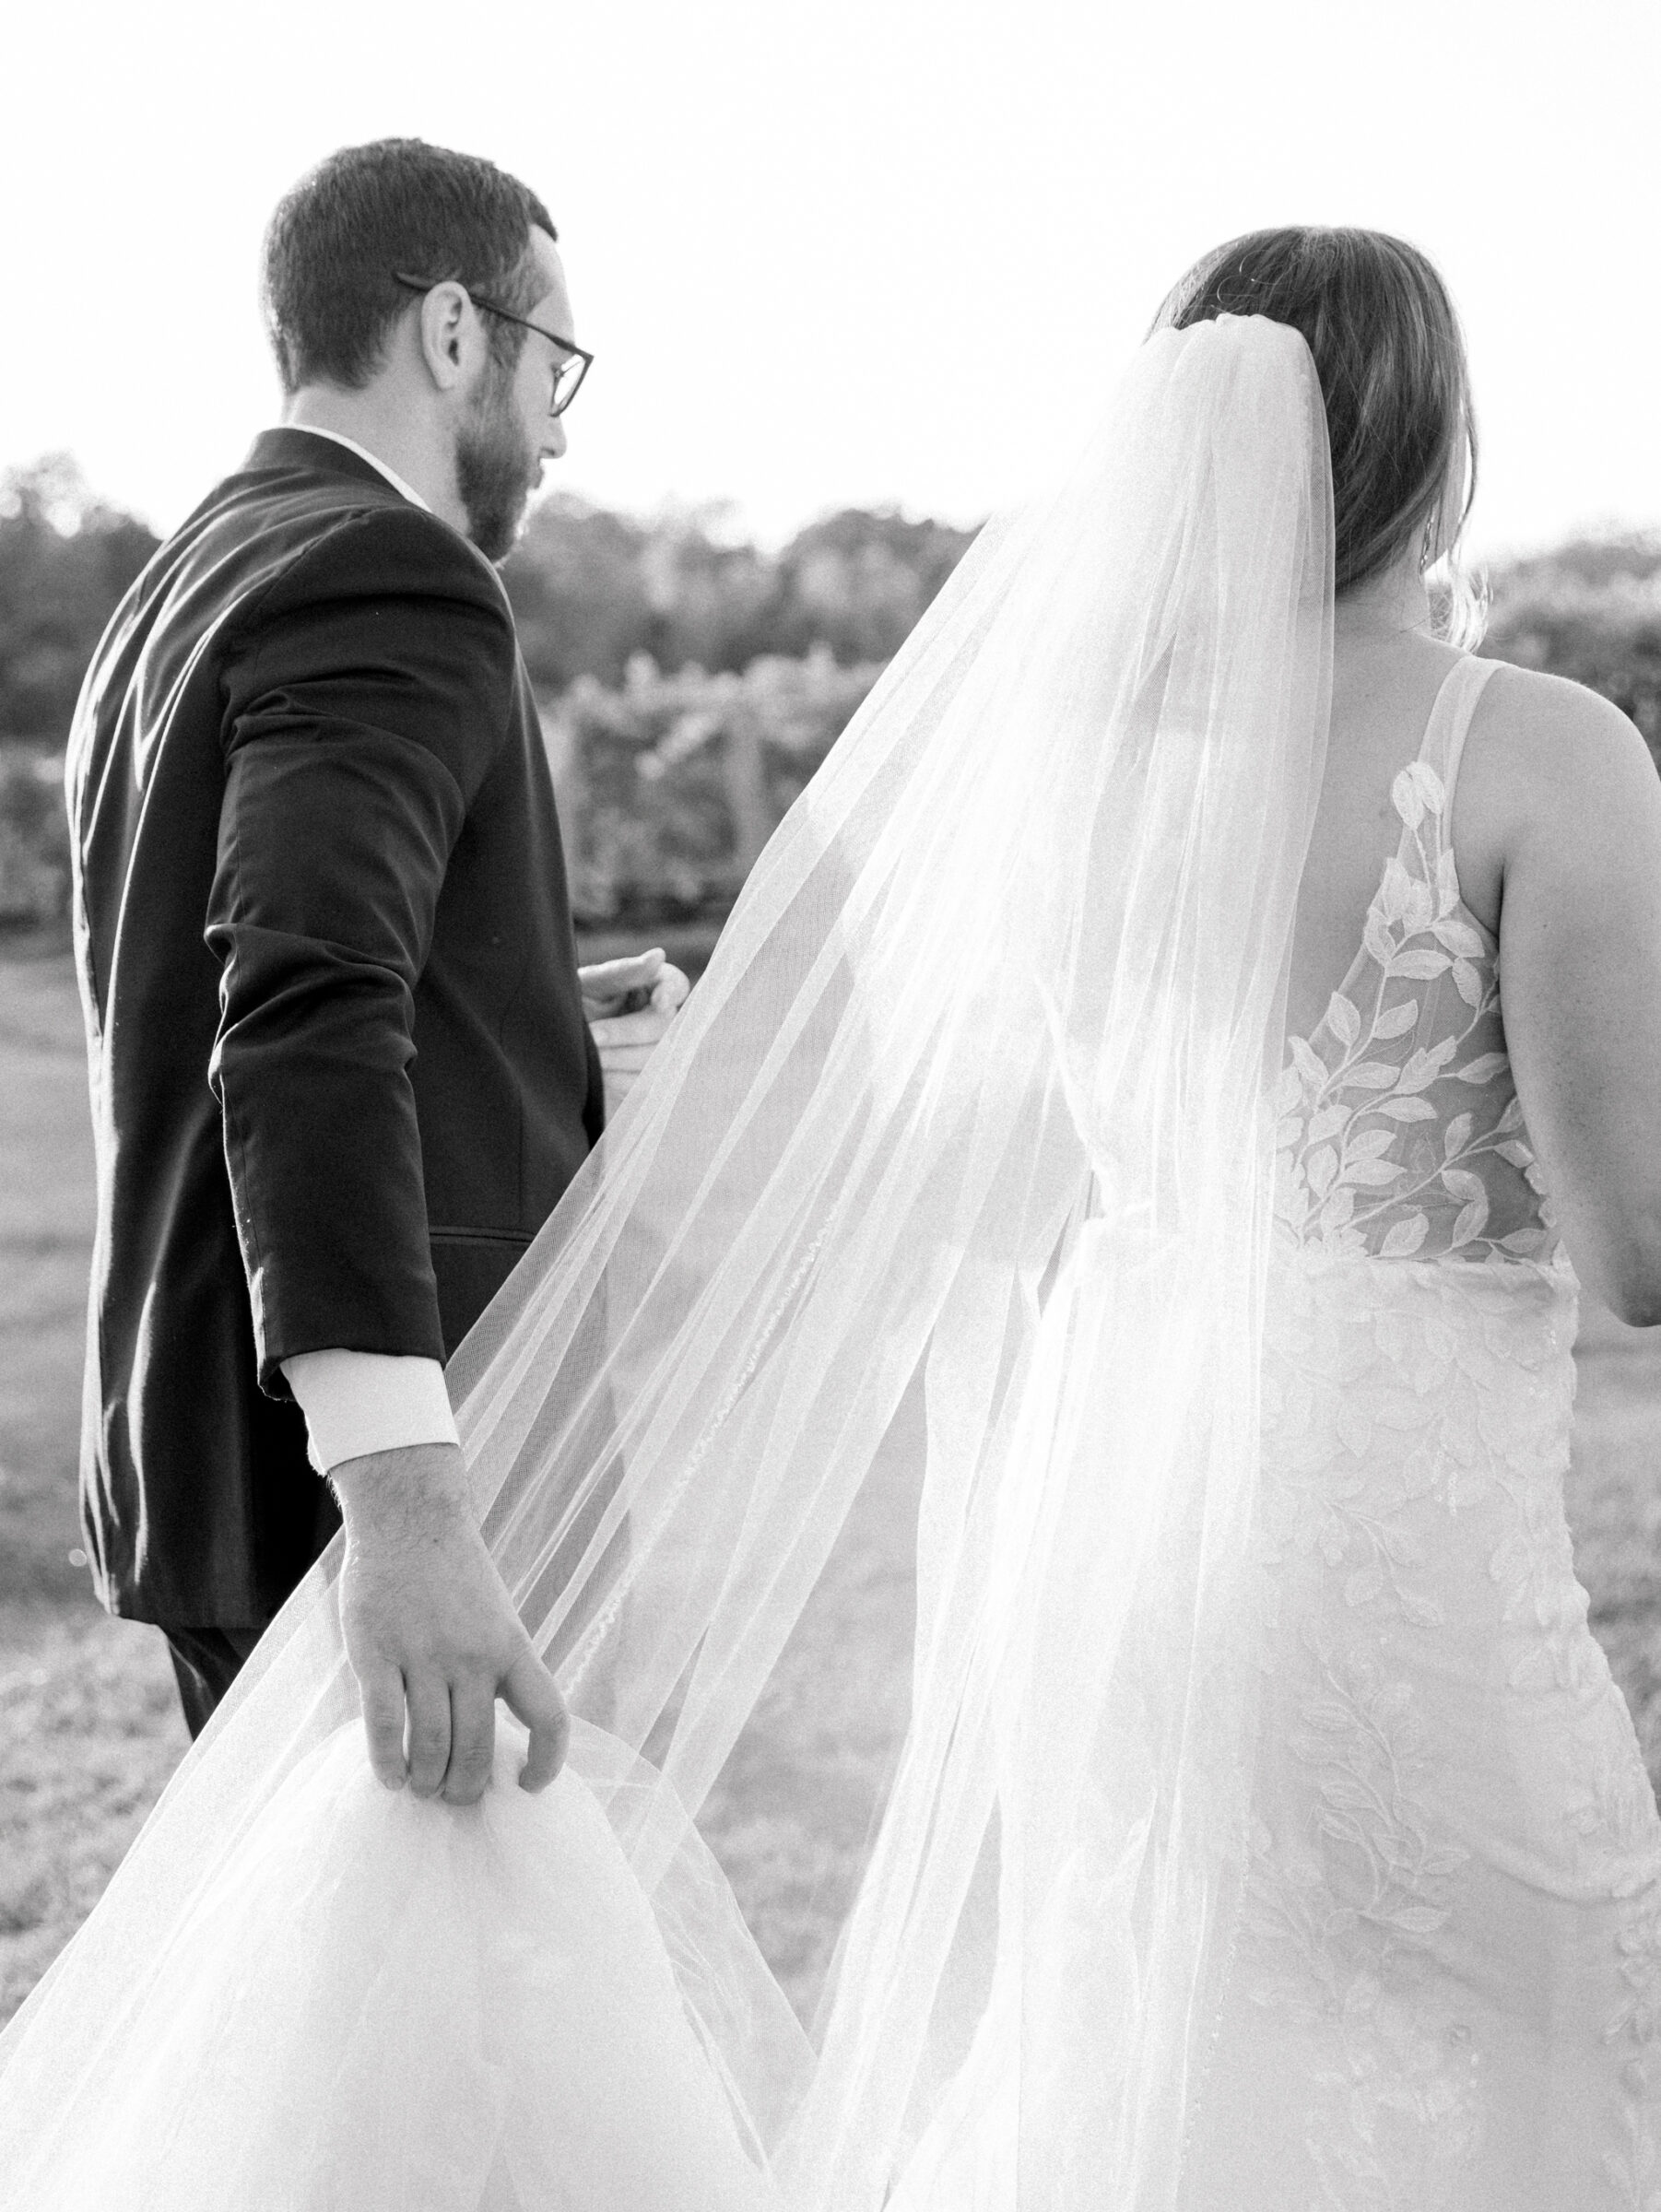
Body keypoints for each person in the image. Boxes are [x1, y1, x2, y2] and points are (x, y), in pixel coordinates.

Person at [6, 229, 1661, 2211]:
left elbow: (989, 1176)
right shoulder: (1538, 750)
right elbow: (1633, 1239)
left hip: (1122, 1543)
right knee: (1488, 2045)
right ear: (1442, 445)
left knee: (1153, 2037)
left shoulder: (1082, 774)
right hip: (1399, 1553)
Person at [63, 137, 684, 1773]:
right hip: (382, 1490)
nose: (558, 426)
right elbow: (301, 1012)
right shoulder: (390, 574)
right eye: (560, 364)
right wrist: (406, 1506)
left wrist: (539, 1018)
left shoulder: (177, 585)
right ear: (457, 335)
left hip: (212, 1457)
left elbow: (264, 971)